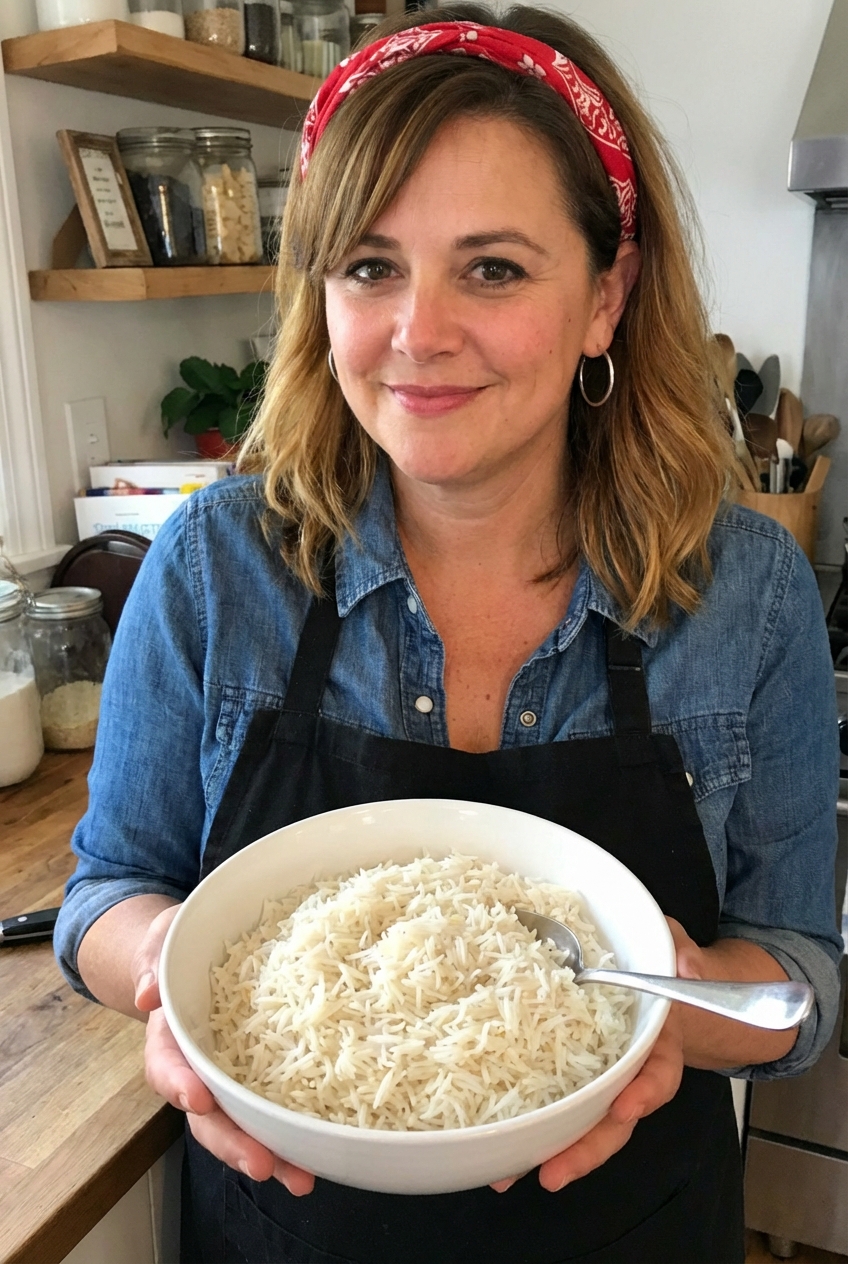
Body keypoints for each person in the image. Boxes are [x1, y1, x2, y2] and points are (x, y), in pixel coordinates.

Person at [54, 7, 841, 1263]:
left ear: (606, 294)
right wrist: (181, 983)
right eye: (370, 265)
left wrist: (667, 1011)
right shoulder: (213, 566)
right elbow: (104, 893)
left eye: (492, 268)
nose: (417, 332)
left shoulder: (745, 594)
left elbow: (797, 980)